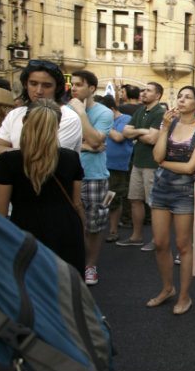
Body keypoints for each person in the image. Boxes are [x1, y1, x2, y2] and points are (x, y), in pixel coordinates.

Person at [0, 99, 85, 271]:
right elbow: (77, 203)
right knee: (66, 290)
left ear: (24, 122)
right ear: (57, 126)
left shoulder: (8, 161)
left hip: (24, 231)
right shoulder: (71, 158)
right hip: (66, 230)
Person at [146, 86, 195, 315]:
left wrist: (164, 163)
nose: (181, 100)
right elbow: (156, 155)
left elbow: (190, 167)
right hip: (161, 188)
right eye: (180, 96)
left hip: (184, 191)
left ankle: (184, 296)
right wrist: (164, 128)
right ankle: (167, 288)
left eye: (188, 97)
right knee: (161, 243)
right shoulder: (170, 124)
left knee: (183, 246)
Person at [0, 60, 83, 161]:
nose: (39, 91)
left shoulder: (68, 117)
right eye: (33, 84)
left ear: (57, 88)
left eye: (47, 85)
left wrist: (9, 152)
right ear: (26, 85)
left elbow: (48, 159)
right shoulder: (15, 114)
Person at [68, 70, 114, 286]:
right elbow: (59, 144)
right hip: (68, 173)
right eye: (73, 84)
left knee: (94, 225)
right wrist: (87, 145)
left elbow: (96, 142)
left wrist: (81, 114)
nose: (73, 88)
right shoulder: (64, 110)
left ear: (92, 89)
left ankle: (90, 266)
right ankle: (72, 264)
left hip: (94, 176)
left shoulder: (103, 113)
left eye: (78, 85)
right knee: (70, 223)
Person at [116, 82, 165, 249]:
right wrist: (143, 131)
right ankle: (136, 236)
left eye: (148, 91)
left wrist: (137, 133)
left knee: (154, 204)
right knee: (135, 199)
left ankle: (156, 240)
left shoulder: (160, 113)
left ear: (157, 95)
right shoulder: (140, 110)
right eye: (143, 90)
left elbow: (153, 139)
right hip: (137, 162)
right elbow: (125, 132)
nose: (143, 93)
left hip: (152, 164)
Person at [101, 95, 134, 242]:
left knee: (113, 196)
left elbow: (119, 137)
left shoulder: (125, 119)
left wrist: (103, 125)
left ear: (112, 109)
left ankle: (113, 230)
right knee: (102, 197)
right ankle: (104, 224)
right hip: (101, 164)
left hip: (117, 166)